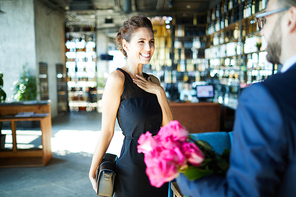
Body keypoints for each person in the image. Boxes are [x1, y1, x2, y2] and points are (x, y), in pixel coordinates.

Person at [176, 0, 296, 196]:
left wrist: (182, 173)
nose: (262, 31)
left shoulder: (265, 97)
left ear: (290, 18)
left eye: (264, 19)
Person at [89, 15, 173, 197]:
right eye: (141, 42)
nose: (148, 48)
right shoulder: (117, 79)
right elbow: (107, 131)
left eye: (151, 42)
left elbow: (168, 129)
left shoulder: (154, 81)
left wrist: (160, 92)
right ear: (126, 46)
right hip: (132, 169)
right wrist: (93, 168)